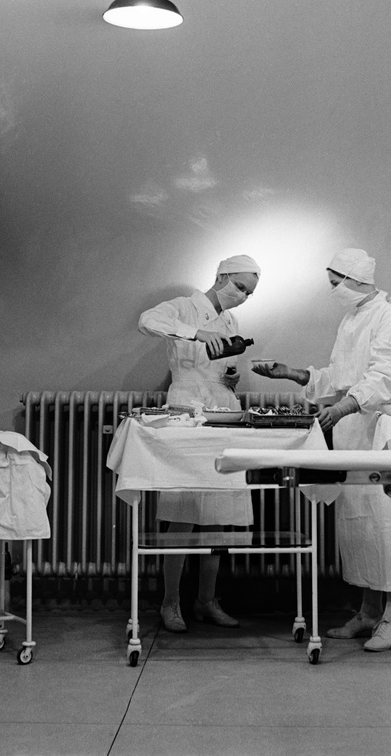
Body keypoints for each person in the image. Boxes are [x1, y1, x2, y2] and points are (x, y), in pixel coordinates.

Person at [253, 248, 391, 651]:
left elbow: (384, 379)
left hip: (384, 434)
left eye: (336, 284)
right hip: (354, 431)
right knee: (362, 524)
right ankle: (368, 612)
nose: (333, 291)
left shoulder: (390, 319)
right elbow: (338, 378)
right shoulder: (352, 320)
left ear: (356, 280)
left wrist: (342, 408)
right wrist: (290, 373)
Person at [137, 254, 261, 633]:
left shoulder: (230, 321)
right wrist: (196, 334)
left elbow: (218, 369)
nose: (242, 296)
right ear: (221, 276)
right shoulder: (184, 307)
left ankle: (207, 600)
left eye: (249, 292)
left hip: (222, 406)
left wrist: (230, 377)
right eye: (239, 286)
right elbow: (147, 321)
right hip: (187, 405)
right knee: (184, 508)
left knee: (220, 510)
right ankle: (170, 601)